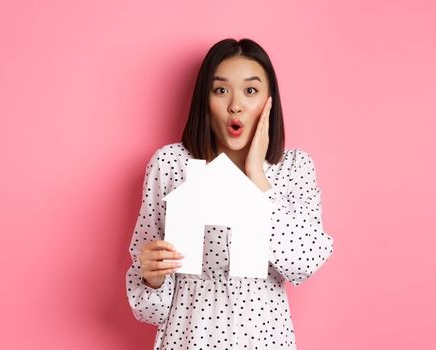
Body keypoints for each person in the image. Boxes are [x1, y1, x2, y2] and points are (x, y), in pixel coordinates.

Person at [125, 38, 334, 349]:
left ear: (269, 101)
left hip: (265, 340)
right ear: (204, 100)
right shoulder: (171, 165)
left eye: (250, 91)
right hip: (187, 338)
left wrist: (256, 177)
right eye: (220, 90)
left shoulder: (293, 167)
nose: (235, 105)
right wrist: (151, 278)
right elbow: (148, 308)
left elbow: (305, 260)